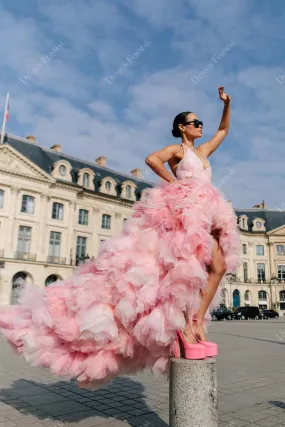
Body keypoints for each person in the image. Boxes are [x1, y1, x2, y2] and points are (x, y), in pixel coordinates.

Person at [0, 86, 240, 389]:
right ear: (182, 128)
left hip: (210, 209)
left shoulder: (202, 151)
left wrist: (226, 105)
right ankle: (186, 328)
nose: (200, 126)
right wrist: (176, 184)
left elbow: (223, 129)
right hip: (185, 209)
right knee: (184, 272)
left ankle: (195, 320)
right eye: (194, 122)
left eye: (200, 122)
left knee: (217, 267)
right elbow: (152, 159)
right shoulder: (177, 150)